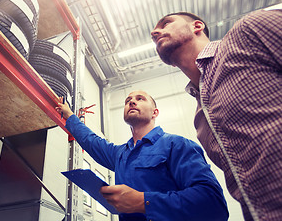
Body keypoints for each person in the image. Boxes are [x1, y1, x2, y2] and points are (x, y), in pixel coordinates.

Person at [151, 8, 282, 221]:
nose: (154, 32)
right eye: (154, 32)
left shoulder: (248, 32)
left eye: (165, 23)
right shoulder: (201, 119)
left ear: (197, 26)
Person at [56, 90, 229, 221]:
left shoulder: (177, 145)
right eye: (128, 101)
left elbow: (213, 203)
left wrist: (143, 201)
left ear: (155, 113)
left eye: (140, 99)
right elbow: (91, 140)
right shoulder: (120, 154)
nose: (132, 102)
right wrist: (69, 115)